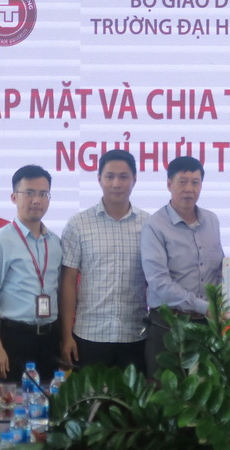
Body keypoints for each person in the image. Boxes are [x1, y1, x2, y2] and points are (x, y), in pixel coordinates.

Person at [60, 150, 150, 372]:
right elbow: (68, 283)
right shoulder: (78, 224)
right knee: (90, 396)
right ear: (99, 178)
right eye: (110, 176)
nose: (116, 183)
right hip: (89, 335)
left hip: (135, 336)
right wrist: (66, 335)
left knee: (132, 396)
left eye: (123, 177)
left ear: (134, 179)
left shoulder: (149, 225)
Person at [0, 164, 62, 382]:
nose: (37, 200)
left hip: (49, 340)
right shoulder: (0, 242)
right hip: (14, 340)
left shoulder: (55, 243)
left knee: (50, 401)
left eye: (43, 194)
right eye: (29, 193)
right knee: (12, 402)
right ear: (14, 197)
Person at [141, 156, 224, 379]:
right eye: (182, 182)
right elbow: (159, 282)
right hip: (168, 325)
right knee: (166, 393)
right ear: (169, 184)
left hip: (207, 326)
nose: (189, 189)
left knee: (208, 391)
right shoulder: (154, 226)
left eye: (195, 182)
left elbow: (219, 271)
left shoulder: (212, 220)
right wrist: (203, 306)